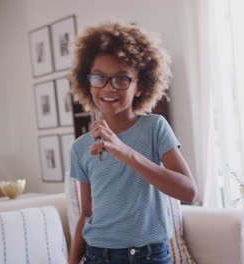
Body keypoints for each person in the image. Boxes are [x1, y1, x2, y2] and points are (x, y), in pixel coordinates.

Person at [68, 21, 198, 264]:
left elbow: (189, 192)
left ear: (140, 86)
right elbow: (86, 214)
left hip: (150, 256)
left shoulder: (154, 128)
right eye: (100, 78)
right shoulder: (80, 147)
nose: (109, 87)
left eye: (121, 79)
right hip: (99, 256)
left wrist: (126, 153)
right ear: (88, 82)